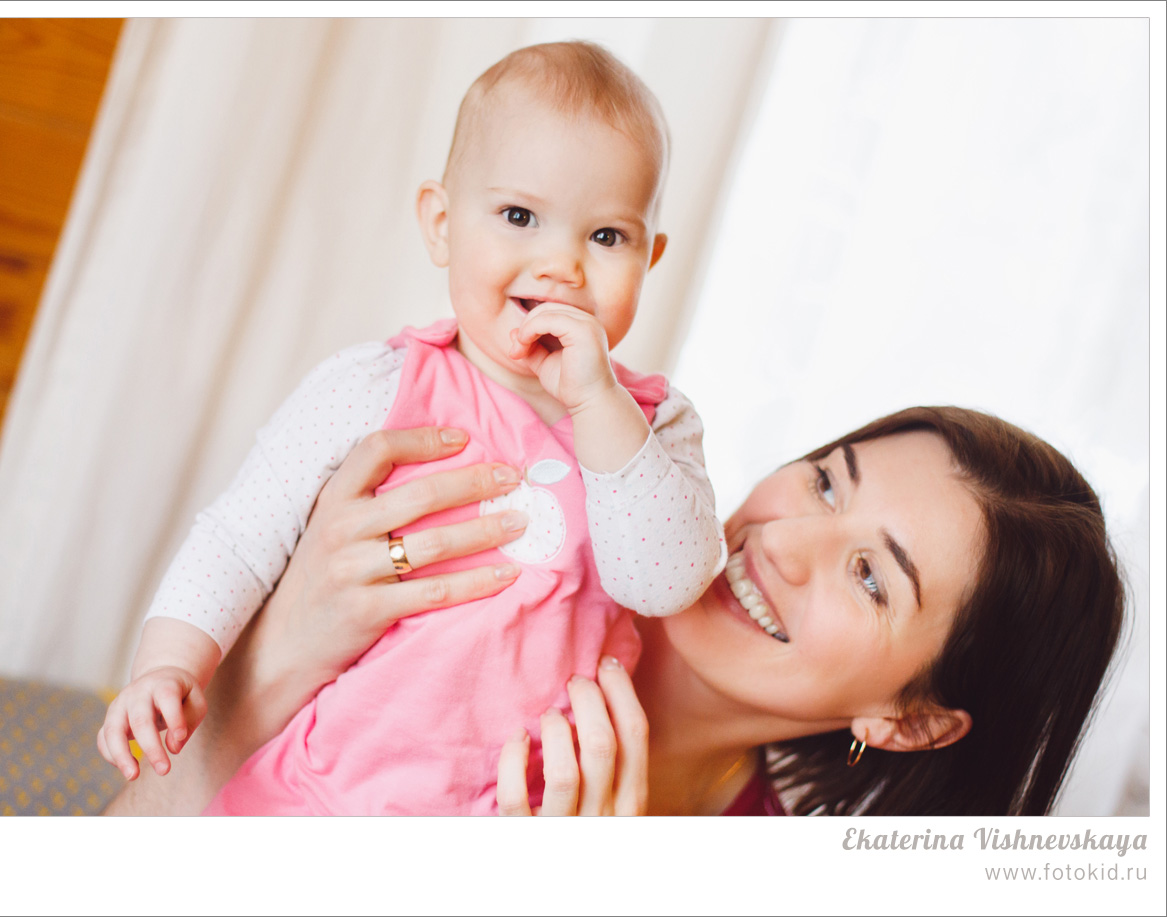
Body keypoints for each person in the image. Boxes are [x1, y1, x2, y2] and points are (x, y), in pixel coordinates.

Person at [98, 41, 726, 814]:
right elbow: (237, 536)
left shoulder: (654, 427)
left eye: (606, 237)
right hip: (312, 795)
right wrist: (168, 665)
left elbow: (663, 579)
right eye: (519, 216)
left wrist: (598, 402)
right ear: (441, 224)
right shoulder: (376, 386)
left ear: (650, 258)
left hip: (501, 811)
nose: (562, 263)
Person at [106, 406, 1125, 817]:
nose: (780, 542)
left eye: (871, 576)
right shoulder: (498, 546)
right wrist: (281, 653)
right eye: (823, 481)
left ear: (906, 719)